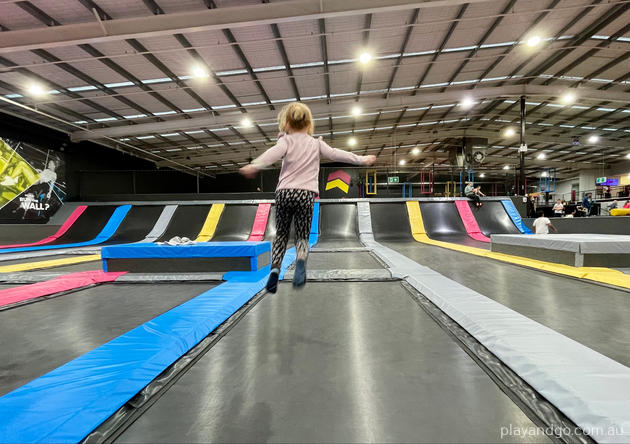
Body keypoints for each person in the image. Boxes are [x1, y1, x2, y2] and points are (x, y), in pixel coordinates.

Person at [240, 102, 375, 292]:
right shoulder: (316, 143)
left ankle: (274, 270)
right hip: (306, 194)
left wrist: (254, 165)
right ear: (309, 124)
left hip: (284, 192)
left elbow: (271, 155)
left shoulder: (285, 141)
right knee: (302, 235)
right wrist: (362, 159)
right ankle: (301, 261)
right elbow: (337, 154)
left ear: (286, 123)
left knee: (281, 235)